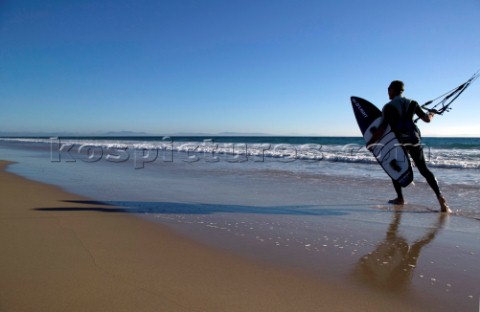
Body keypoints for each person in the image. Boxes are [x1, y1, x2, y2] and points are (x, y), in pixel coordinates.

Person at [369, 80, 451, 213]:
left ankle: (400, 198)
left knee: (394, 168)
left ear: (393, 90)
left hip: (399, 141)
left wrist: (371, 142)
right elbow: (427, 119)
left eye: (388, 89)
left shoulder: (388, 107)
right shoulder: (413, 103)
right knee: (424, 170)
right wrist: (432, 113)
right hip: (414, 139)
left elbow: (382, 129)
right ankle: (441, 199)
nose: (387, 92)